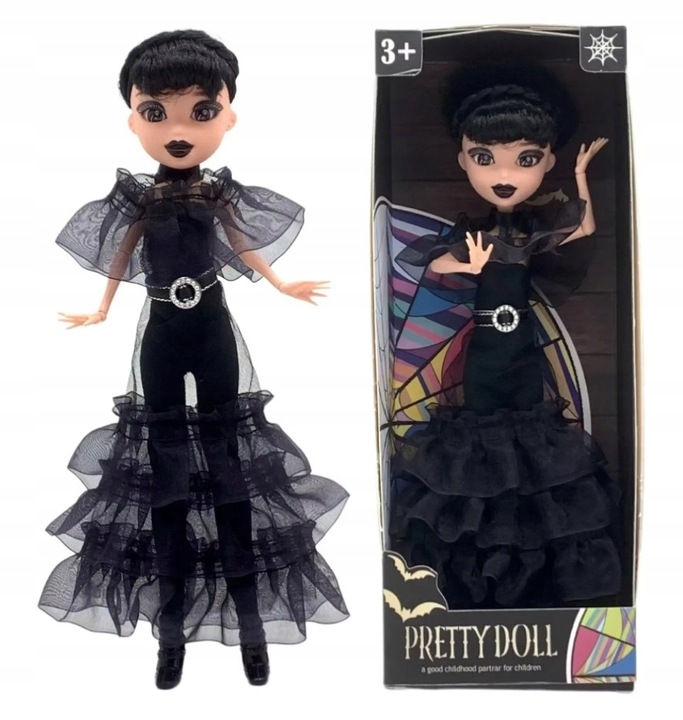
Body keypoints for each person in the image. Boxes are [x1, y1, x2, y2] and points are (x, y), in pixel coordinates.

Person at [38, 29, 349, 690]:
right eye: (156, 112)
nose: (178, 130)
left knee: (232, 470)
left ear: (228, 116)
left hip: (212, 330)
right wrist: (99, 309)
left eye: (201, 112)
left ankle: (252, 627)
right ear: (133, 118)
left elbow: (243, 247)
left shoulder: (217, 195)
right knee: (166, 481)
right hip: (160, 332)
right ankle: (171, 632)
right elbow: (121, 257)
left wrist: (281, 283)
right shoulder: (138, 200)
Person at [390, 70, 621, 609]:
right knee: (480, 438)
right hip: (484, 351)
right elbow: (429, 263)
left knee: (530, 440)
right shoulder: (473, 233)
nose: (504, 175)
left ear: (546, 161)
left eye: (526, 158)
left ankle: (534, 572)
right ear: (463, 159)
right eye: (484, 157)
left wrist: (581, 175)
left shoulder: (531, 231)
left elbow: (583, 229)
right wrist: (464, 264)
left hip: (522, 351)